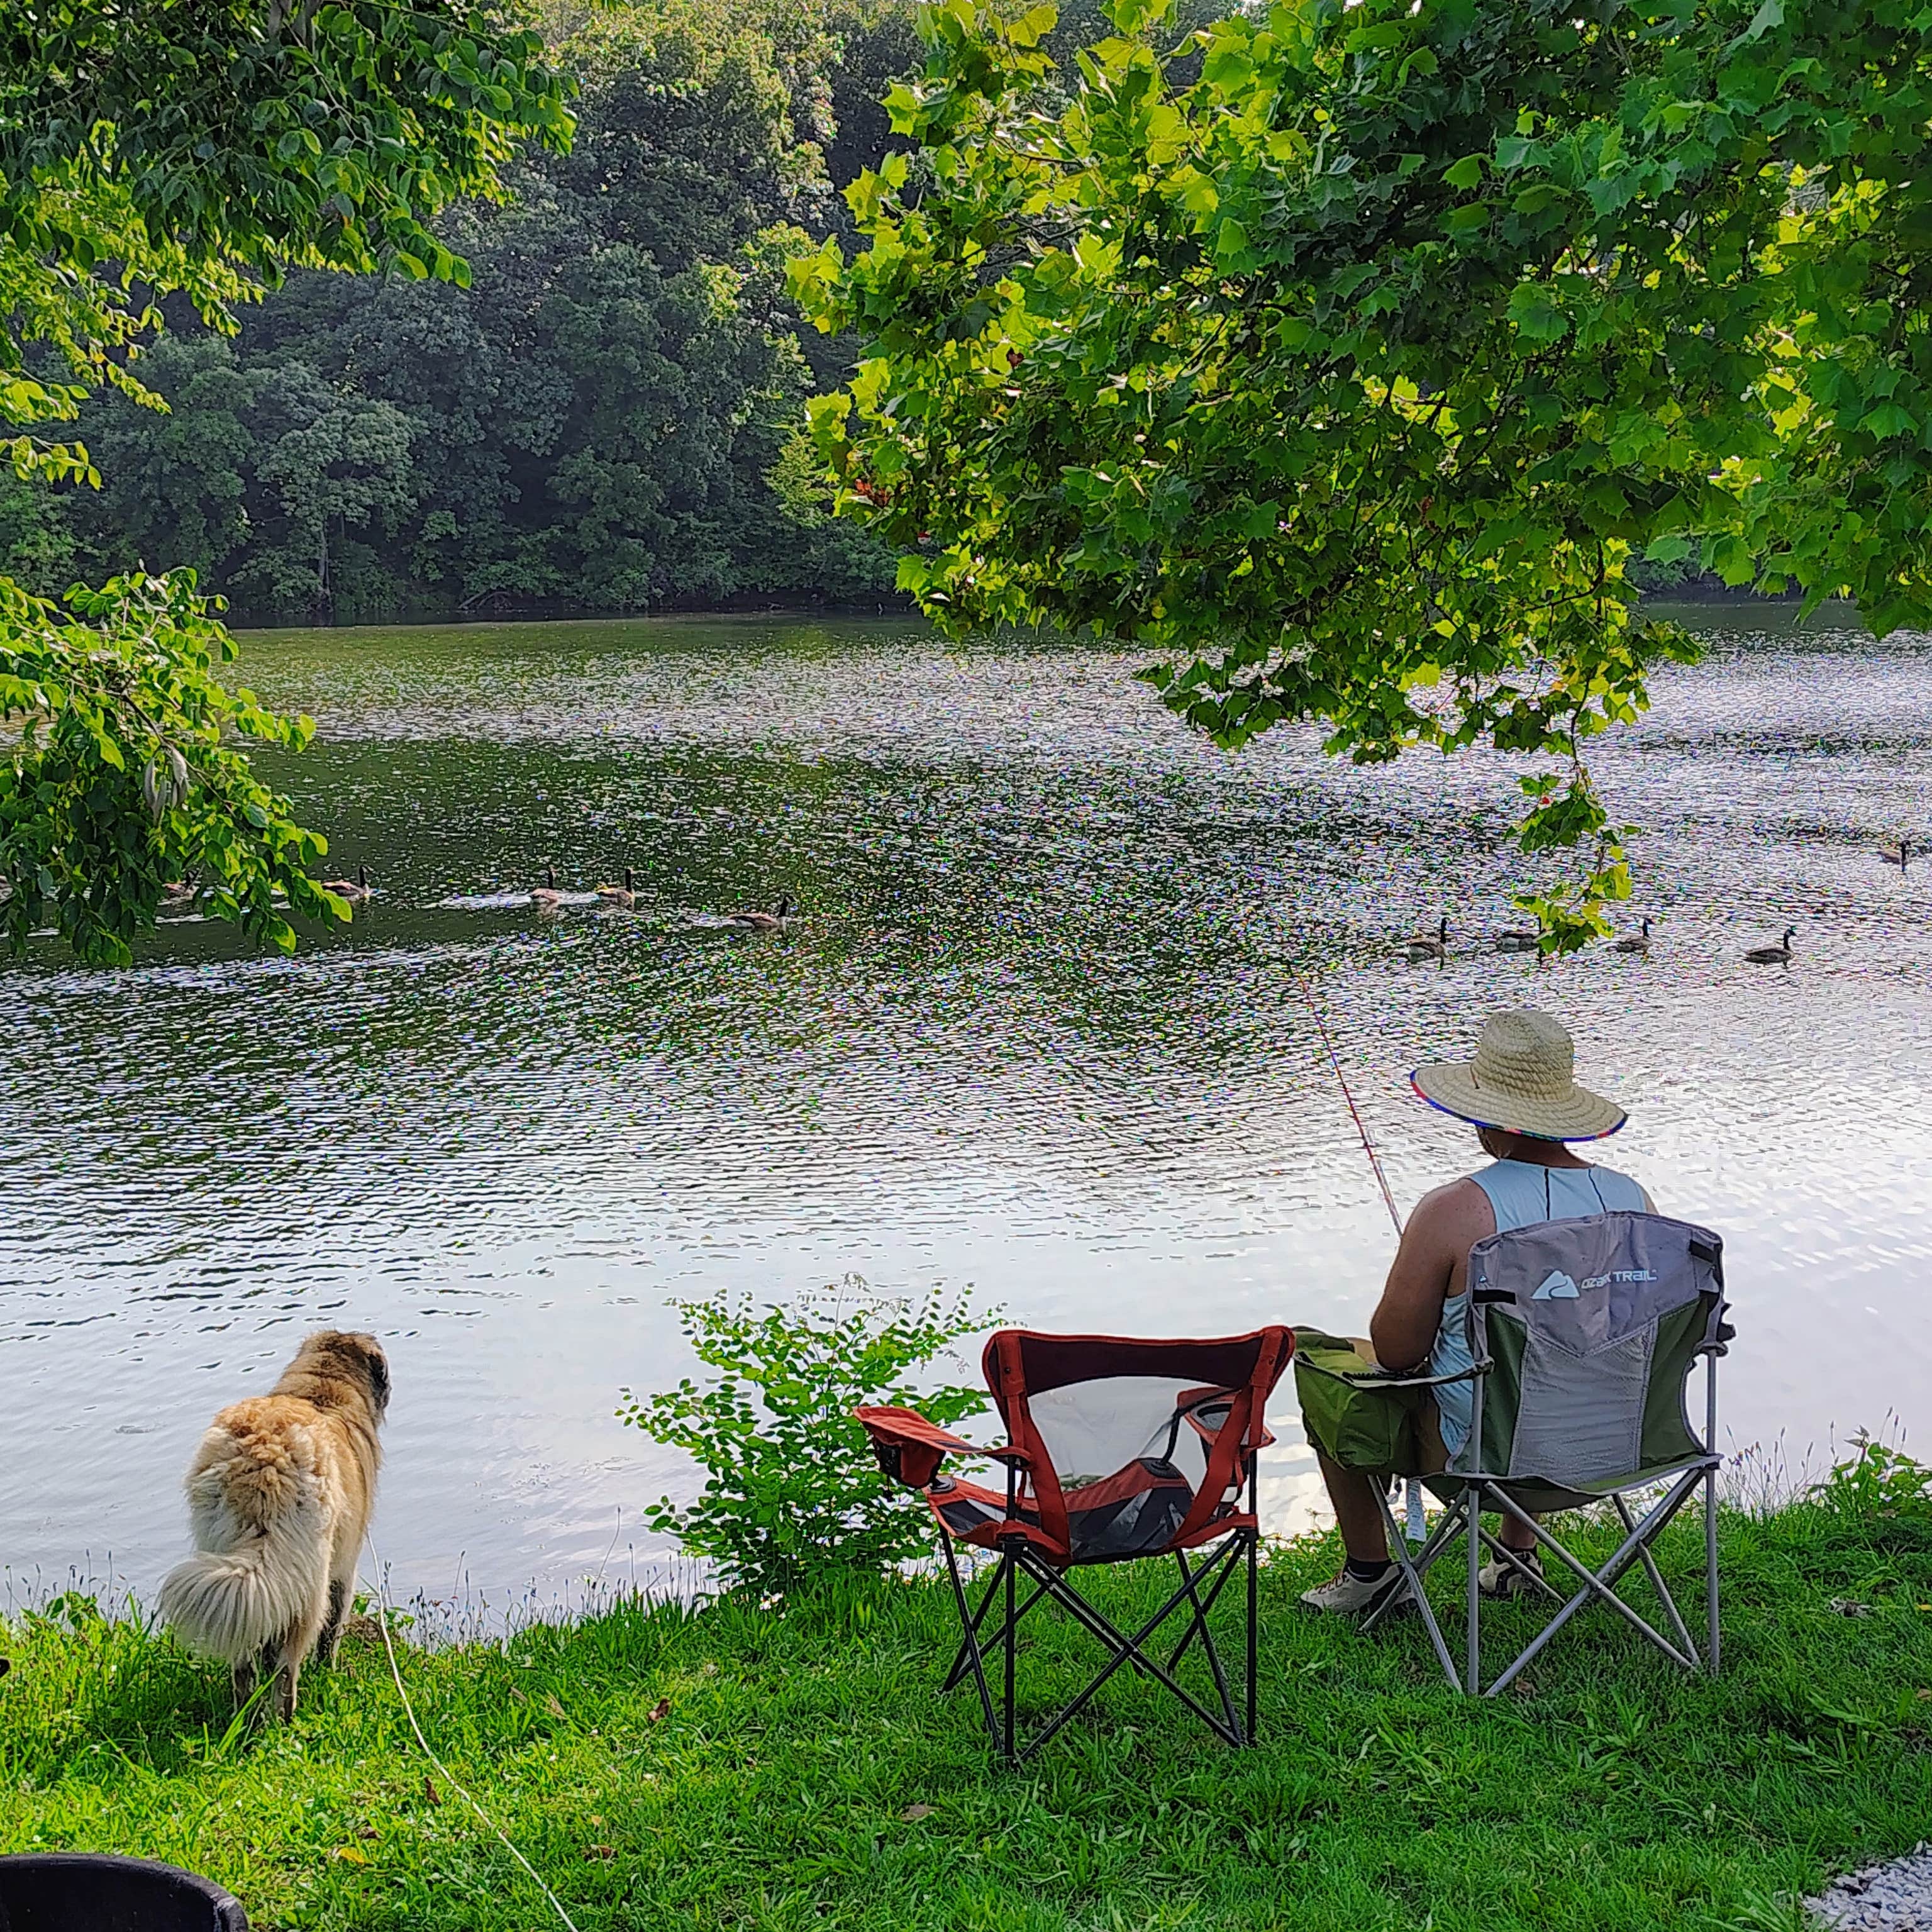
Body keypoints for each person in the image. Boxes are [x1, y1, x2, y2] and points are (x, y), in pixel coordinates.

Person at [1299, 1008, 1655, 1615]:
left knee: (1321, 1367)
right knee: (1542, 1361)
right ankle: (1516, 1561)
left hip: (1481, 1460)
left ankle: (1370, 1574)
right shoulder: (1633, 1200)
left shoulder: (1454, 1210)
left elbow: (1396, 1353)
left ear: (1486, 1115)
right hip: (1618, 1445)